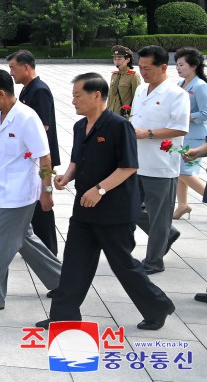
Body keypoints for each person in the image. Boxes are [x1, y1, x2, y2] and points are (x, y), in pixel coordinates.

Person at [36, 73, 174, 331]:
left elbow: (129, 167)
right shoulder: (80, 126)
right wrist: (66, 177)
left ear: (96, 95)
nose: (73, 100)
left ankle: (158, 305)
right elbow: (77, 159)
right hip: (84, 208)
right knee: (75, 262)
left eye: (78, 95)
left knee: (123, 264)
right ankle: (63, 315)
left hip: (115, 211)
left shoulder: (118, 125)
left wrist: (99, 189)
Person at [0, 69, 61, 312]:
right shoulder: (0, 115)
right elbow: (4, 147)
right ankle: (63, 282)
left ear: (1, 93)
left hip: (20, 193)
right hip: (6, 189)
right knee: (25, 240)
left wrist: (46, 191)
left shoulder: (27, 118)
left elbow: (45, 157)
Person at [131, 45, 187, 274]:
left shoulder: (176, 94)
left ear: (163, 67)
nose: (142, 72)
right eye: (140, 67)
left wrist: (149, 134)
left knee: (158, 217)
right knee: (130, 209)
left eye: (147, 68)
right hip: (135, 162)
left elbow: (180, 128)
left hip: (161, 165)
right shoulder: (140, 91)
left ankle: (154, 261)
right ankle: (168, 233)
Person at [7, 50, 60, 255]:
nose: (11, 73)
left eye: (13, 67)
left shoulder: (39, 90)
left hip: (40, 157)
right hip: (30, 155)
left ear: (26, 67)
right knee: (29, 203)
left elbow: (42, 127)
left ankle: (48, 248)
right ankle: (12, 239)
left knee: (41, 206)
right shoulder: (27, 89)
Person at [173, 47, 207, 218]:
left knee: (184, 172)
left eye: (181, 64)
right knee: (180, 172)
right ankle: (183, 206)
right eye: (177, 65)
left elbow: (205, 113)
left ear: (193, 66)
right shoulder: (180, 84)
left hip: (196, 136)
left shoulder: (200, 86)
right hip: (182, 135)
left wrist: (186, 116)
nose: (178, 68)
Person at [108, 45, 141, 116]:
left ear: (128, 60)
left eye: (119, 59)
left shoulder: (133, 76)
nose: (116, 61)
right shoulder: (114, 75)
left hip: (123, 115)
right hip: (111, 114)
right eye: (115, 59)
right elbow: (110, 96)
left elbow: (137, 98)